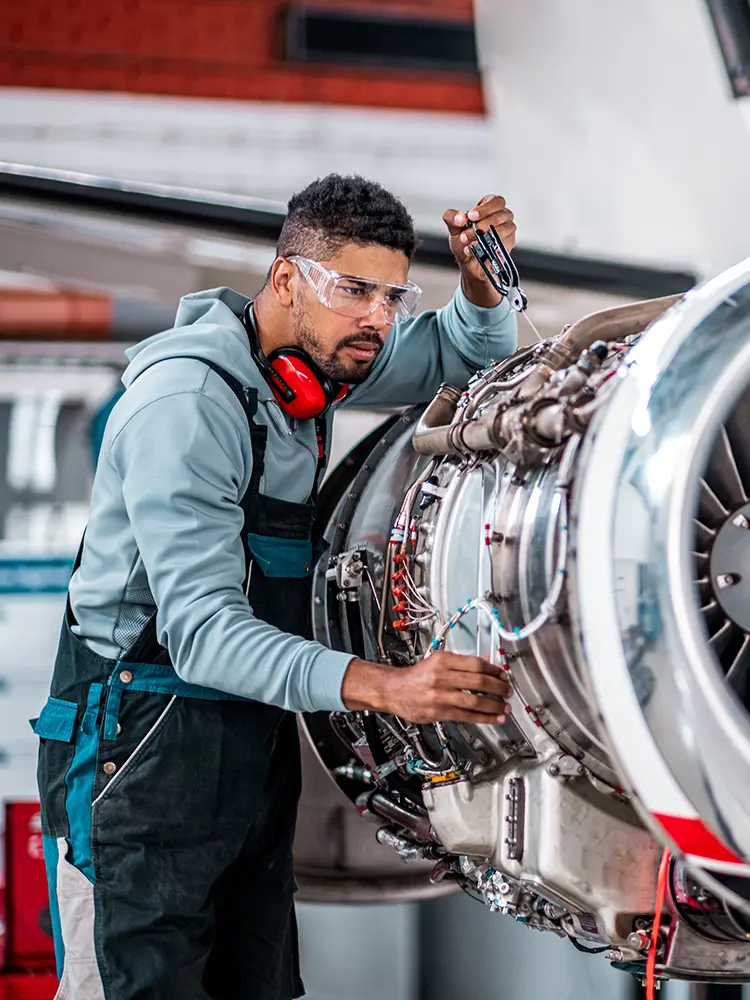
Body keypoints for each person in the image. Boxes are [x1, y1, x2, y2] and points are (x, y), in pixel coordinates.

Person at [34, 174, 518, 1000]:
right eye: (355, 289)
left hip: (243, 746)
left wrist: (480, 292)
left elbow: (472, 357)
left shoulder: (312, 366)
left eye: (393, 295)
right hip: (135, 749)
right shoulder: (189, 402)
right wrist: (389, 688)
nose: (378, 317)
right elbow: (205, 634)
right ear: (288, 278)